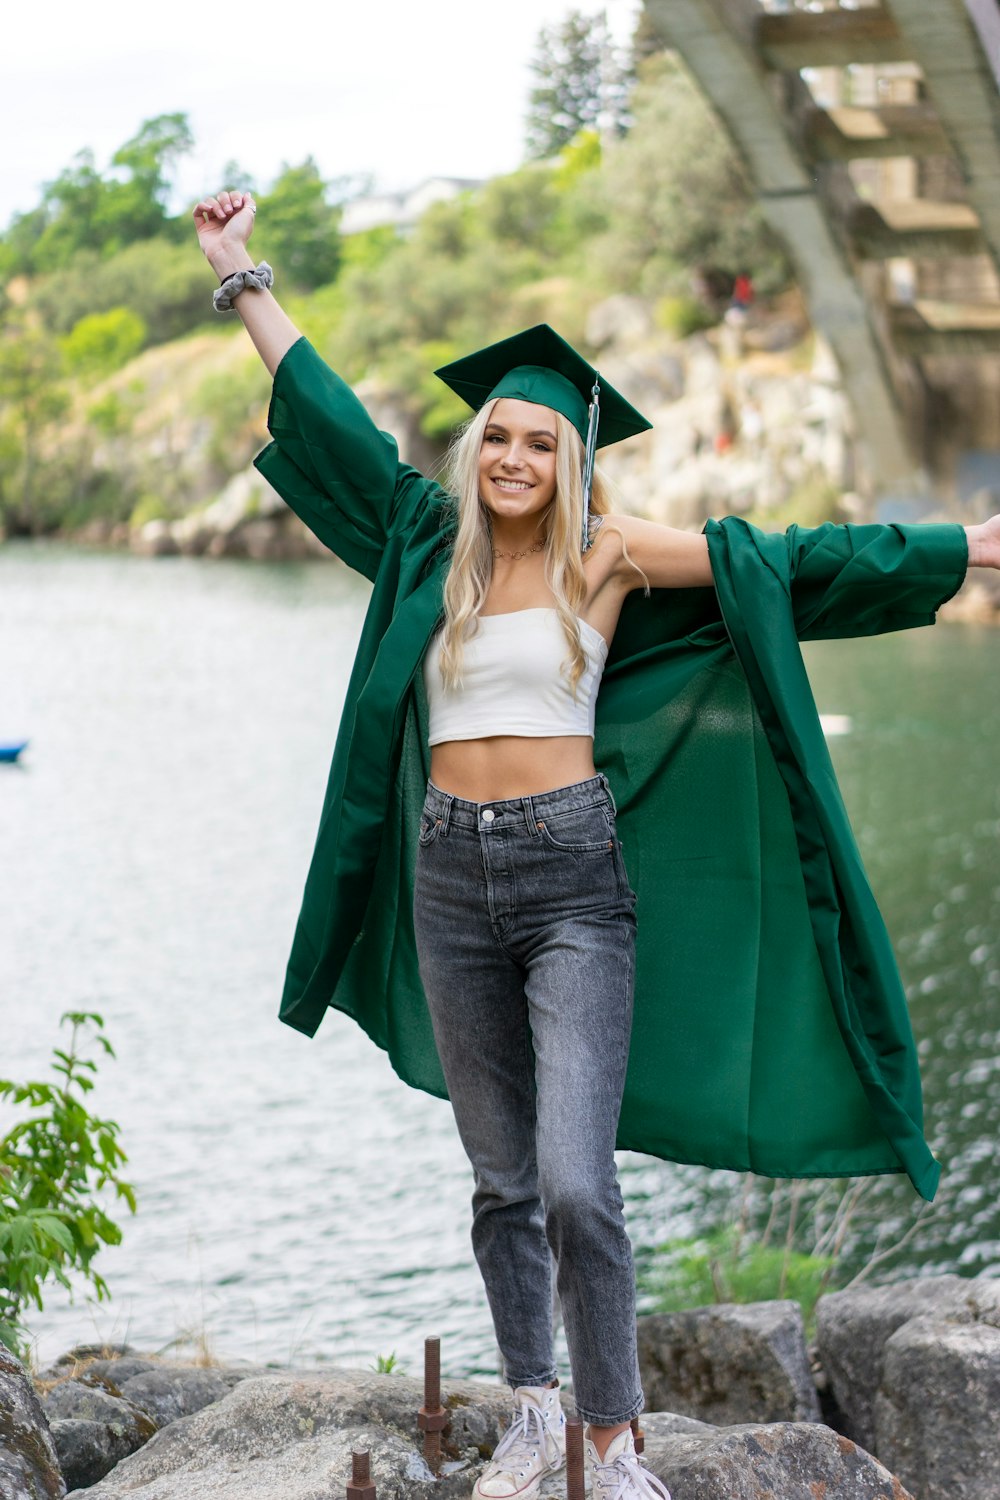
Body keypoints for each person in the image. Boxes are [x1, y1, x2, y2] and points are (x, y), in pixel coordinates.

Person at [193, 188, 1000, 1500]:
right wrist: (242, 276)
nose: (513, 457)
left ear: (573, 459)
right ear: (477, 452)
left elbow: (781, 565)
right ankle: (531, 1417)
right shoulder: (422, 547)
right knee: (501, 1178)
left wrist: (956, 548)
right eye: (496, 437)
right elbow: (329, 415)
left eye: (538, 441)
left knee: (577, 1179)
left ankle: (613, 1445)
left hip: (574, 880)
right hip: (447, 878)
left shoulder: (607, 558)